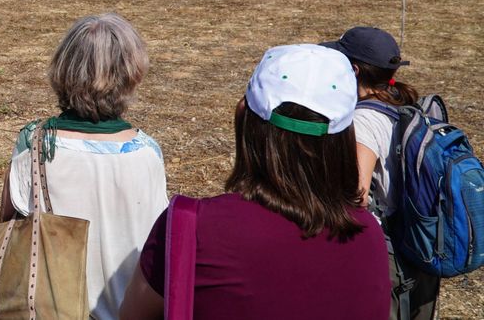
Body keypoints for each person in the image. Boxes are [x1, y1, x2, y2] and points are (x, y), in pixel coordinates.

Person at [121, 44, 391, 320]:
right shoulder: (368, 236)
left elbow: (132, 314)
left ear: (244, 118)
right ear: (344, 140)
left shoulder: (191, 226)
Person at [0, 13, 167, 320]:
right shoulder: (148, 153)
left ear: (63, 70)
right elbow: (155, 247)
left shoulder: (35, 143)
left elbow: (8, 230)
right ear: (132, 74)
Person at [322, 26, 441, 319]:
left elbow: (358, 195)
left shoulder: (363, 121)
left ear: (353, 69)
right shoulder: (407, 105)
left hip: (389, 249)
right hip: (422, 238)